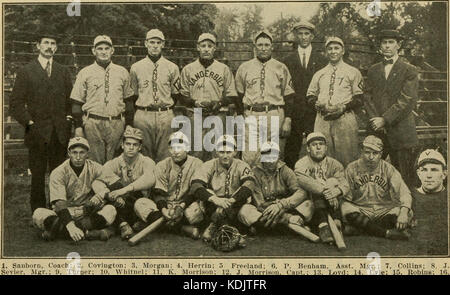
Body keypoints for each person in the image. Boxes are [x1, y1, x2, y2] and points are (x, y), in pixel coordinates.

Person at [10, 32, 73, 213]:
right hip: (36, 132)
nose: (49, 46)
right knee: (37, 175)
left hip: (59, 133)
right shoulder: (26, 71)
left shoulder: (63, 71)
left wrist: (68, 120)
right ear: (38, 45)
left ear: (56, 47)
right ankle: (38, 212)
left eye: (53, 43)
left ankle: (58, 210)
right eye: (46, 42)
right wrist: (29, 123)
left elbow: (71, 101)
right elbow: (15, 103)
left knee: (59, 174)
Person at [32, 137, 118, 242]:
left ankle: (58, 232)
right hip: (65, 212)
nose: (78, 157)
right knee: (38, 214)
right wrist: (71, 226)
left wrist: (101, 194)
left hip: (87, 211)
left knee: (110, 210)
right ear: (69, 153)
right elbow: (59, 203)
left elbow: (117, 183)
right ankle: (88, 233)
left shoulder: (95, 167)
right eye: (74, 152)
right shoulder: (58, 172)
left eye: (82, 152)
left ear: (87, 153)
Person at [364, 29, 419, 186]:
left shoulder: (409, 69)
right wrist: (375, 119)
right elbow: (367, 96)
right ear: (380, 46)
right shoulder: (373, 69)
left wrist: (385, 119)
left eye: (391, 42)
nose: (387, 46)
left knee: (403, 178)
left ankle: (405, 208)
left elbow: (407, 100)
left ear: (398, 45)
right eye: (384, 42)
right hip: (377, 130)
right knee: (372, 176)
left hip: (401, 131)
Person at [235, 30, 296, 168]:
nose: (263, 48)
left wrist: (288, 119)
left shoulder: (281, 67)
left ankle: (273, 189)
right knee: (250, 156)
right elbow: (238, 95)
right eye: (260, 45)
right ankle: (251, 188)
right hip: (252, 113)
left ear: (272, 47)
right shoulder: (244, 67)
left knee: (273, 156)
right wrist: (240, 115)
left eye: (266, 45)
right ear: (255, 47)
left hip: (274, 113)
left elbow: (289, 96)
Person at [71, 35, 134, 164]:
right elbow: (77, 102)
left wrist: (129, 124)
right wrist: (78, 126)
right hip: (93, 122)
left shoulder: (122, 72)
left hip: (116, 122)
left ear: (112, 50)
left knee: (116, 162)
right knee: (94, 163)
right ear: (93, 51)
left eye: (107, 48)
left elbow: (128, 101)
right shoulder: (85, 72)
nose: (104, 52)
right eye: (100, 48)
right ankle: (96, 184)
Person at [133, 132, 204, 239]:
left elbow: (195, 190)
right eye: (172, 148)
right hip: (166, 206)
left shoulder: (197, 163)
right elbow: (158, 192)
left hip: (186, 205)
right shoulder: (162, 165)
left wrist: (181, 207)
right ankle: (182, 228)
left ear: (187, 148)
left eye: (179, 147)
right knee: (140, 203)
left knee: (199, 208)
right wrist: (164, 210)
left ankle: (155, 225)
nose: (175, 151)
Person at [343, 135, 414, 240]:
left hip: (384, 209)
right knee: (345, 207)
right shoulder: (351, 168)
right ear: (361, 151)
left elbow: (404, 193)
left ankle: (363, 229)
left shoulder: (388, 169)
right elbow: (345, 196)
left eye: (375, 153)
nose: (371, 157)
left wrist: (403, 213)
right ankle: (385, 232)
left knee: (407, 212)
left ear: (380, 154)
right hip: (361, 209)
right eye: (367, 152)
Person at [179, 32, 237, 161]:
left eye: (209, 46)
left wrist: (220, 103)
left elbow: (232, 95)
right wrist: (195, 102)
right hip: (195, 114)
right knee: (195, 152)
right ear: (198, 47)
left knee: (216, 152)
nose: (206, 49)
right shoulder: (188, 69)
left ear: (214, 48)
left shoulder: (223, 69)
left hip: (217, 115)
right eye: (203, 45)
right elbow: (182, 96)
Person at [306, 37, 363, 167]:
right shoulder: (319, 73)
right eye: (330, 49)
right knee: (323, 155)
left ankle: (348, 185)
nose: (333, 51)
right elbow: (310, 94)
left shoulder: (353, 72)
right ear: (326, 52)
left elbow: (359, 98)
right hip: (323, 118)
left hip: (345, 117)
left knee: (347, 156)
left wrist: (343, 107)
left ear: (343, 51)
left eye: (336, 48)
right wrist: (316, 103)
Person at [238, 141, 314, 236]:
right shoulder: (254, 173)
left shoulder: (285, 170)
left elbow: (301, 192)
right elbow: (260, 204)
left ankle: (269, 228)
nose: (270, 161)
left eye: (273, 156)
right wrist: (287, 217)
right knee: (244, 211)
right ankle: (288, 226)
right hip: (265, 211)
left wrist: (280, 205)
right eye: (267, 157)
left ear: (278, 156)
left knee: (308, 205)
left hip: (285, 208)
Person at [129, 29, 182, 162]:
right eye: (152, 42)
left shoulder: (172, 67)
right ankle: (146, 182)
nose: (155, 45)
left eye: (158, 42)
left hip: (165, 113)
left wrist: (165, 108)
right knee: (143, 154)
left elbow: (175, 95)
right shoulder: (136, 67)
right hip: (143, 113)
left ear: (163, 44)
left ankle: (162, 182)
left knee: (165, 154)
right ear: (146, 43)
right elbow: (133, 94)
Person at [190, 135, 255, 241]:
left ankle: (217, 226)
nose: (225, 156)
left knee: (247, 212)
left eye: (228, 152)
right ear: (216, 152)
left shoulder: (242, 165)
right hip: (214, 204)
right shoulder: (209, 165)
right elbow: (195, 186)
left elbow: (249, 185)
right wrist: (216, 200)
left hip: (235, 203)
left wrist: (230, 201)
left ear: (235, 151)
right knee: (196, 209)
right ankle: (232, 230)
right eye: (221, 152)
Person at [97, 126, 156, 240]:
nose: (131, 148)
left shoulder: (147, 161)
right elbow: (98, 180)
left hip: (138, 205)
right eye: (128, 144)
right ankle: (123, 225)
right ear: (122, 145)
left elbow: (150, 179)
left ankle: (116, 228)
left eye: (135, 145)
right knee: (109, 203)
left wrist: (123, 190)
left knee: (142, 203)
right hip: (120, 204)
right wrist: (108, 194)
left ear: (140, 147)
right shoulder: (114, 162)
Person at [282, 21, 327, 168]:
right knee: (291, 149)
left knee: (316, 147)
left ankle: (315, 182)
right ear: (296, 36)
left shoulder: (322, 60)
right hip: (294, 110)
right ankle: (292, 184)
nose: (303, 37)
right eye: (300, 34)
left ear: (312, 36)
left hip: (314, 111)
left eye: (307, 33)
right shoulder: (287, 61)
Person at [294, 132, 349, 243]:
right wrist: (328, 192)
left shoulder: (335, 164)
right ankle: (323, 225)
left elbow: (344, 183)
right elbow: (306, 182)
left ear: (326, 148)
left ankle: (336, 223)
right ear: (308, 148)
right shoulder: (301, 163)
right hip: (311, 202)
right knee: (318, 188)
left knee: (332, 181)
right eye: (314, 145)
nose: (318, 148)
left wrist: (336, 191)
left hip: (333, 203)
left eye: (321, 144)